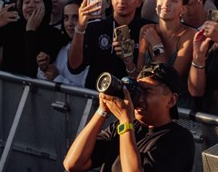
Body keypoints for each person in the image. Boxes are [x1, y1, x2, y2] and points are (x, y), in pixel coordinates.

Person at [62, 63, 195, 172]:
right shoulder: (122, 127)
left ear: (171, 100)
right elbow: (73, 164)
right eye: (138, 90)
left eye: (147, 91)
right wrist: (102, 110)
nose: (138, 98)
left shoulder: (179, 139)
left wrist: (126, 122)